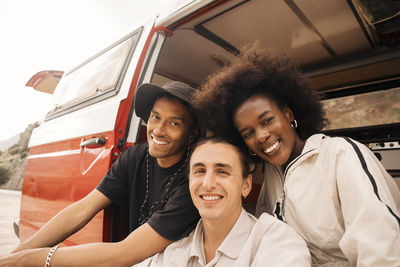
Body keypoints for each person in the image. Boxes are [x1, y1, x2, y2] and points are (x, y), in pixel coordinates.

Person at [193, 44, 400, 266]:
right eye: (248, 133)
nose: (261, 136)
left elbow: (382, 250)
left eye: (267, 120)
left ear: (288, 114)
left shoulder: (340, 155)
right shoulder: (272, 175)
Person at [0, 81, 200, 266]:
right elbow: (83, 209)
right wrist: (14, 256)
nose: (158, 130)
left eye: (174, 123)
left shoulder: (193, 180)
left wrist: (28, 259)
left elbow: (124, 253)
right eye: (155, 117)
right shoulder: (136, 157)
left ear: (191, 135)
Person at [136, 137, 311, 266]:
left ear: (246, 185)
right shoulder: (174, 251)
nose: (208, 183)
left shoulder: (278, 242)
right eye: (199, 171)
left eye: (222, 172)